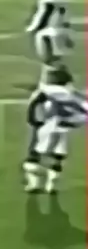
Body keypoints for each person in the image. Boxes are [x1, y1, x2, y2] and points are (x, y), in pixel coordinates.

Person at [23, 65, 87, 194]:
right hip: (62, 127)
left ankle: (34, 183)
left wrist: (33, 121)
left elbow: (33, 105)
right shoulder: (72, 93)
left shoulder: (45, 91)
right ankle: (51, 185)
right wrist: (75, 123)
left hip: (46, 126)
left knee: (34, 154)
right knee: (58, 156)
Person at [26, 0, 73, 83]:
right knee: (55, 59)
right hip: (60, 32)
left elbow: (43, 16)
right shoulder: (62, 0)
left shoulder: (46, 0)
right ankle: (56, 80)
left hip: (46, 33)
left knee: (47, 59)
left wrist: (33, 28)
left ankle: (54, 81)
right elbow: (66, 19)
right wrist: (67, 36)